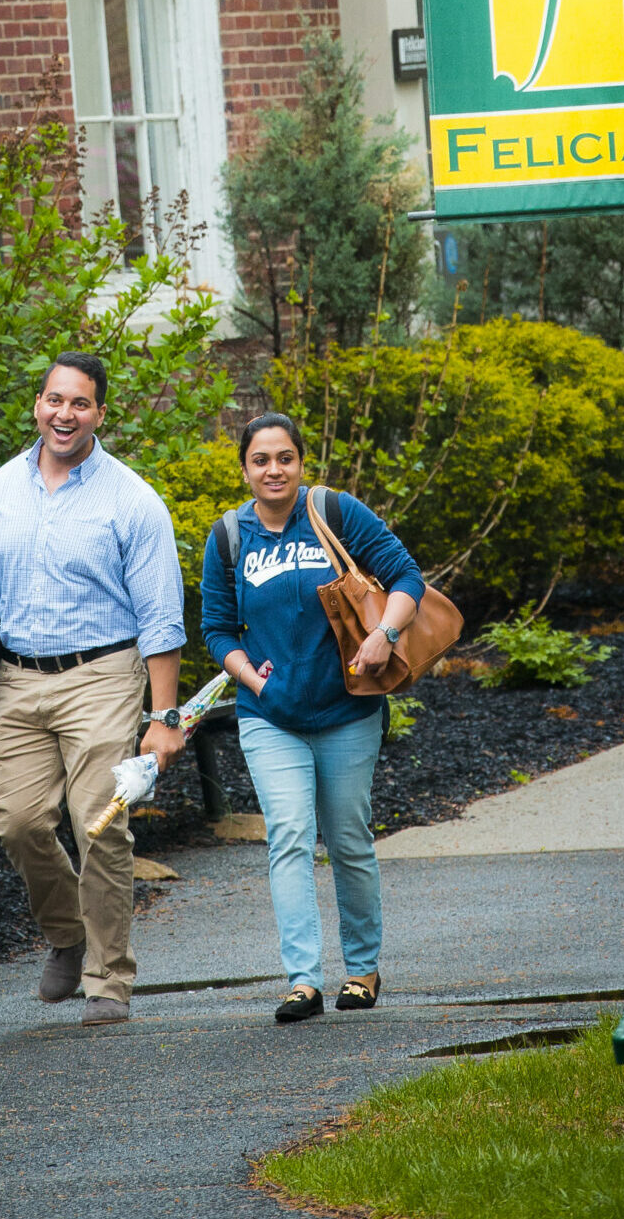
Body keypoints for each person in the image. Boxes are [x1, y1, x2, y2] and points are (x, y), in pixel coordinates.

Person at [0, 351, 186, 1025]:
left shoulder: (132, 501)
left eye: (80, 403)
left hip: (102, 675)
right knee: (16, 821)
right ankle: (65, 934)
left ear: (100, 414)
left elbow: (161, 617)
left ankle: (107, 978)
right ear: (37, 404)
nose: (64, 414)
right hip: (16, 680)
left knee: (99, 823)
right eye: (55, 399)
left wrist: (162, 715)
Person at [200, 412, 424, 1024]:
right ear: (244, 468)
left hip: (347, 708)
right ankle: (303, 980)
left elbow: (407, 575)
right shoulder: (228, 537)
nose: (273, 470)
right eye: (260, 460)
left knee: (348, 838)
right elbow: (217, 628)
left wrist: (383, 633)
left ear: (301, 462)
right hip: (269, 715)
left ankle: (361, 969)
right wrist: (247, 674)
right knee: (290, 837)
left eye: (285, 458)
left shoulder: (334, 511)